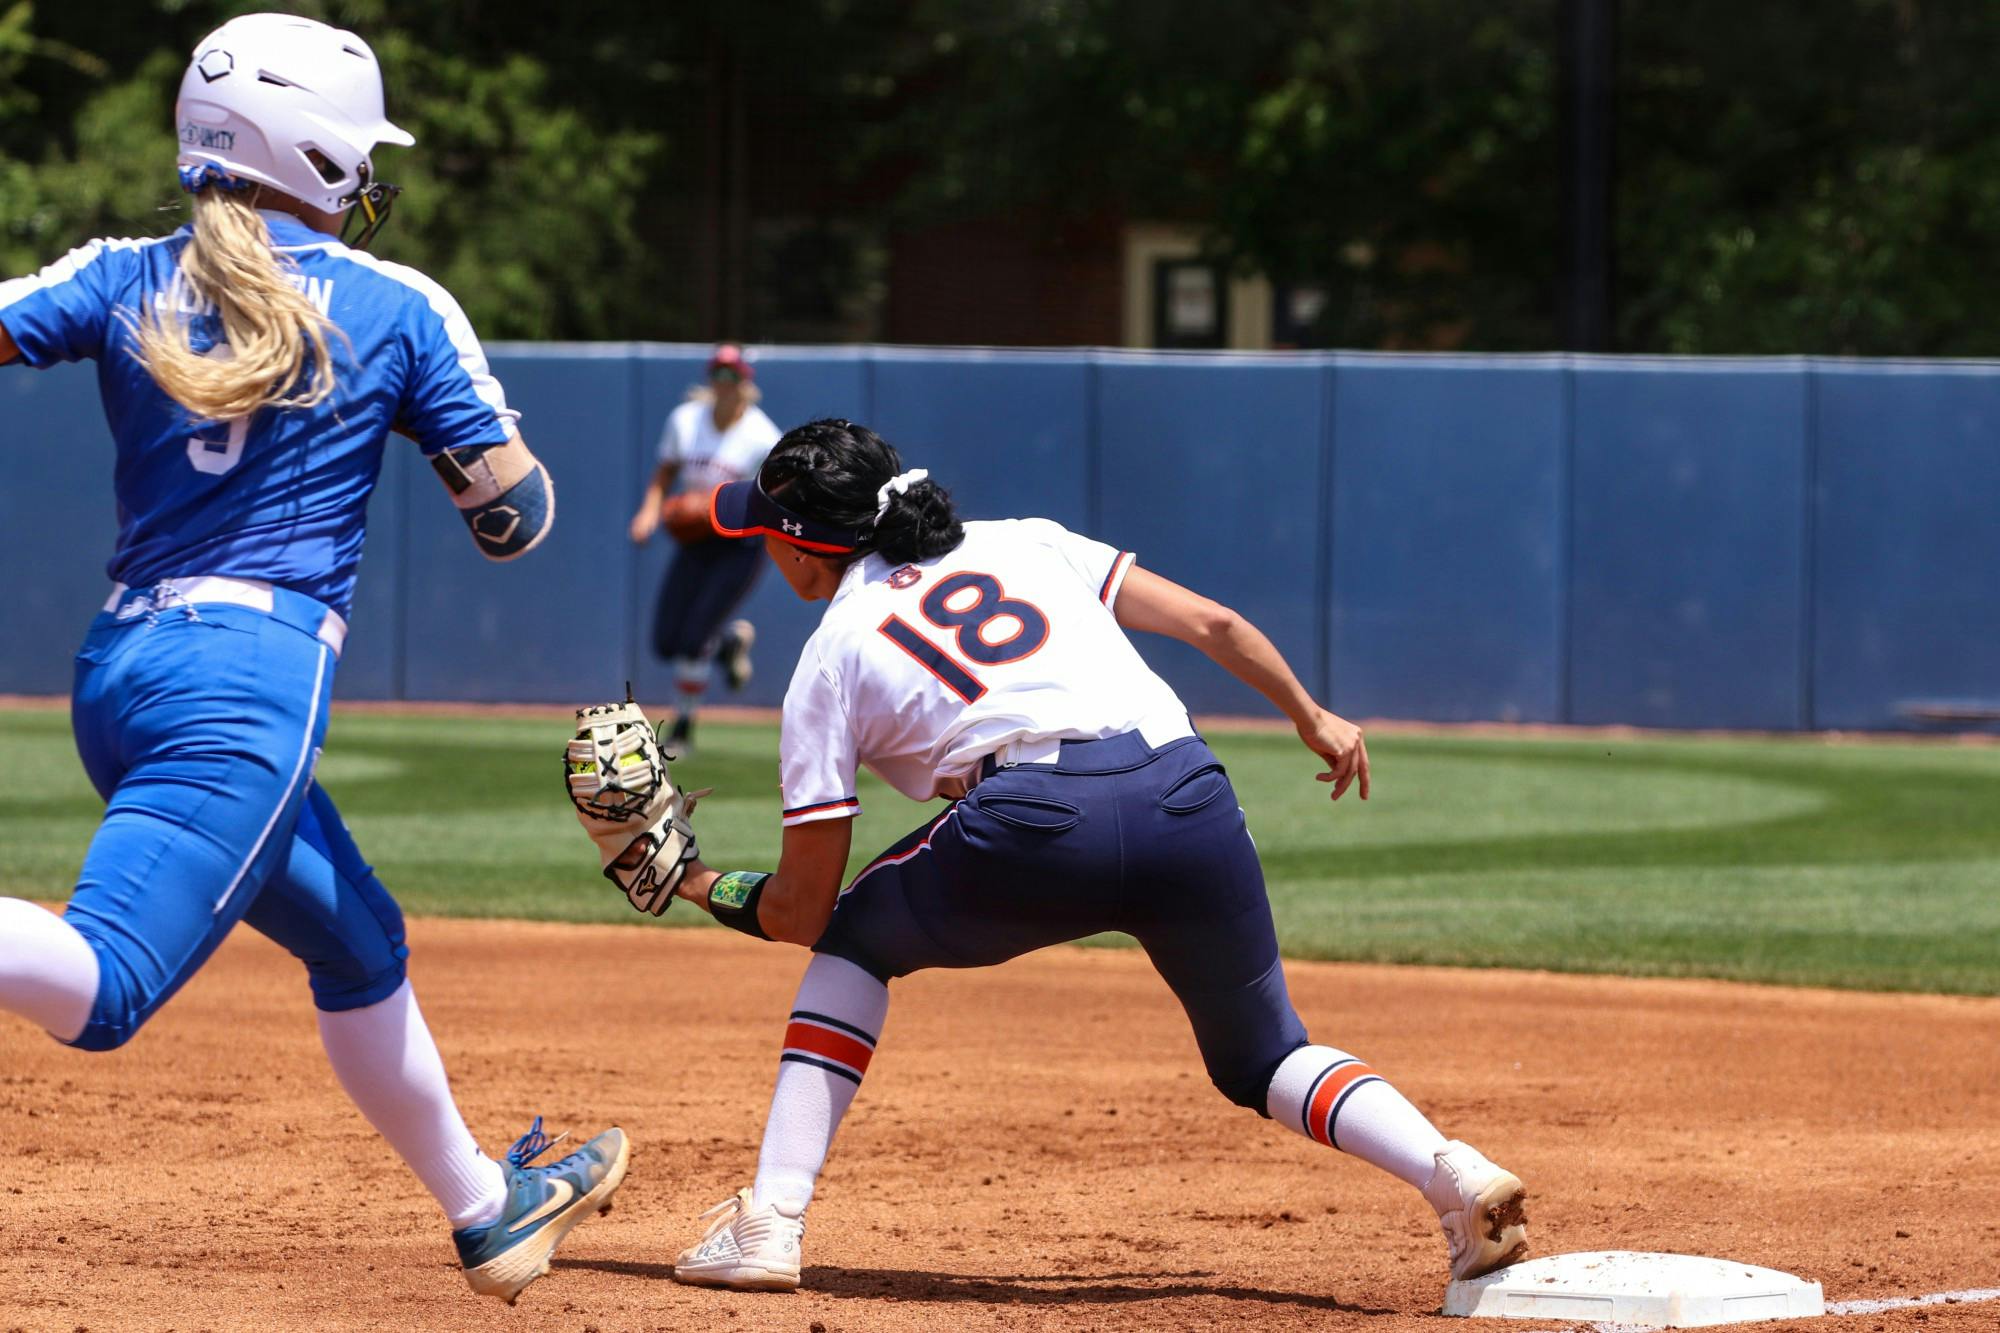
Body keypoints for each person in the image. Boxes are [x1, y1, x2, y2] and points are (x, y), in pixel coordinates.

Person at [0, 14, 624, 1304]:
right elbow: (516, 521)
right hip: (246, 685)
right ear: (322, 150)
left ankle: (487, 1205)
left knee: (360, 944)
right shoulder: (398, 304)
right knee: (106, 986)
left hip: (120, 673)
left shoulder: (124, 271)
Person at [610, 418, 1529, 1293]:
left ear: (807, 548)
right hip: (1188, 797)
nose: (763, 549)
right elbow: (1212, 624)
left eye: (766, 532)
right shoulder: (1025, 539)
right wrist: (1311, 715)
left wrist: (688, 878)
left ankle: (770, 1219)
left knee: (850, 941)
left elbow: (799, 910)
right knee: (1264, 1054)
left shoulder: (831, 653)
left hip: (1038, 823)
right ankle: (1453, 1168)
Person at [628, 344, 781, 750]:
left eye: (733, 376)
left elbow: (771, 497)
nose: (724, 383)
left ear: (746, 383)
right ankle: (727, 641)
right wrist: (648, 512)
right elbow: (665, 473)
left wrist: (716, 504)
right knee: (666, 642)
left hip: (739, 541)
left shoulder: (761, 435)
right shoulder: (686, 420)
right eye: (719, 374)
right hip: (697, 539)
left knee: (694, 638)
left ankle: (682, 729)